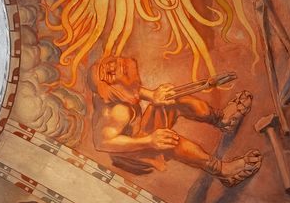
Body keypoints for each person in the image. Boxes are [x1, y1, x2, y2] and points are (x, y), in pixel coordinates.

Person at [91, 54, 260, 185]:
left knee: (174, 97)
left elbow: (131, 91)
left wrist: (153, 96)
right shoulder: (119, 112)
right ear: (111, 89)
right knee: (169, 140)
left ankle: (221, 119)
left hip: (137, 134)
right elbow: (102, 143)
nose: (115, 66)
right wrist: (149, 141)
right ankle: (222, 170)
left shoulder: (120, 90)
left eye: (108, 64)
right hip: (131, 151)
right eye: (110, 73)